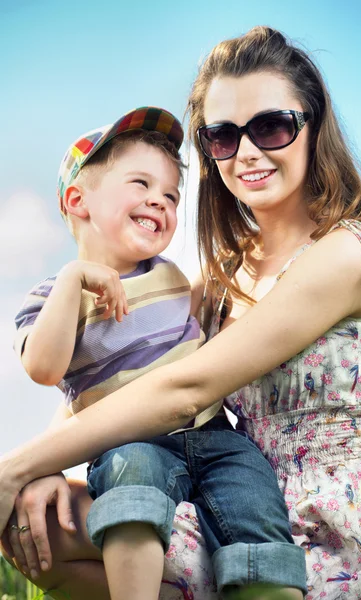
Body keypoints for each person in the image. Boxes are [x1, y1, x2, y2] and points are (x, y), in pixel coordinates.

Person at [1, 24, 361, 600]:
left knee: (38, 506)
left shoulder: (348, 251)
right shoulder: (225, 273)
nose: (247, 152)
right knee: (37, 521)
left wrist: (13, 467)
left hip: (334, 528)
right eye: (223, 137)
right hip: (232, 507)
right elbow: (130, 368)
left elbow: (185, 387)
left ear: (314, 127)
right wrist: (45, 468)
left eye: (271, 126)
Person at [2, 104, 305, 600]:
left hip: (214, 437)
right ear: (79, 200)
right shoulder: (52, 296)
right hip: (132, 443)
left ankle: (266, 588)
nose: (160, 202)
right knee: (131, 491)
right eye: (140, 185)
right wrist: (74, 280)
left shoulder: (172, 277)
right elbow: (44, 368)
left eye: (171, 194)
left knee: (254, 501)